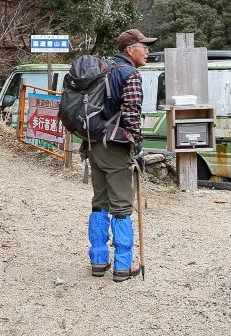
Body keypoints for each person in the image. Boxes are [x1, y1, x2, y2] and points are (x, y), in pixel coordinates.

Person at [87, 28, 155, 282]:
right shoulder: (131, 74)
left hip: (93, 143)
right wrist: (136, 142)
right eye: (143, 46)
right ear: (130, 50)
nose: (147, 51)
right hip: (115, 146)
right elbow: (131, 114)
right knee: (122, 206)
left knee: (99, 202)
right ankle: (123, 265)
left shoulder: (103, 68)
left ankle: (98, 259)